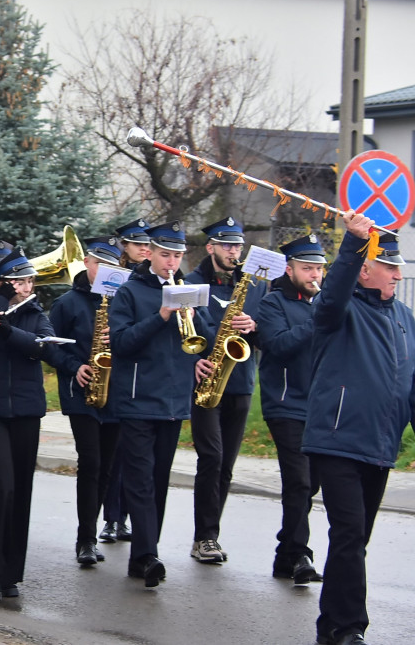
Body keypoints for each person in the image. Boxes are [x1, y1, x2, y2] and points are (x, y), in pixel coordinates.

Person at [304, 213, 415, 645]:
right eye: (391, 266)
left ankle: (330, 625)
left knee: (355, 539)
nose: (399, 274)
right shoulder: (339, 309)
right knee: (348, 533)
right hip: (338, 439)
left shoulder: (403, 315)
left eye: (400, 266)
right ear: (366, 270)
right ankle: (349, 628)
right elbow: (331, 297)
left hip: (380, 444)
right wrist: (351, 243)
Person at [108, 222, 213, 588]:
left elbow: (207, 340)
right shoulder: (130, 292)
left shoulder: (190, 291)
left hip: (174, 401)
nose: (172, 262)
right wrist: (162, 316)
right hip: (137, 400)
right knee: (139, 481)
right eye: (165, 254)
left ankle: (142, 556)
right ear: (150, 253)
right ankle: (149, 554)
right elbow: (121, 343)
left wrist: (199, 324)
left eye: (178, 255)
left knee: (158, 480)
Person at [0, 247, 64, 603]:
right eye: (18, 281)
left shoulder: (36, 312)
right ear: (3, 284)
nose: (26, 286)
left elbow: (45, 349)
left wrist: (9, 333)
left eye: (29, 280)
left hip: (25, 412)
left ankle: (11, 575)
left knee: (19, 493)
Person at [184, 216, 264, 564]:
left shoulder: (253, 285)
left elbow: (267, 333)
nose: (234, 252)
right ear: (211, 247)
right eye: (227, 245)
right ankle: (204, 537)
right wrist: (193, 364)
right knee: (211, 458)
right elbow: (183, 335)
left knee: (227, 464)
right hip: (206, 381)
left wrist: (254, 325)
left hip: (241, 380)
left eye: (237, 246)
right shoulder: (191, 283)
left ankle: (210, 533)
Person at [256, 234, 326, 584]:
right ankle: (300, 554)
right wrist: (316, 322)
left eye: (319, 268)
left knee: (310, 483)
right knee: (298, 482)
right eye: (307, 268)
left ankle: (285, 554)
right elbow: (279, 345)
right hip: (285, 404)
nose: (314, 274)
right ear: (291, 269)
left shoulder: (327, 302)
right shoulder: (273, 303)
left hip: (320, 406)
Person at [50, 236, 123, 566]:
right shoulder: (67, 303)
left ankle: (91, 532)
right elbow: (51, 346)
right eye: (101, 264)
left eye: (113, 265)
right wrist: (73, 367)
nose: (107, 271)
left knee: (106, 467)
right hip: (81, 391)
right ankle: (85, 539)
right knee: (91, 463)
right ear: (89, 264)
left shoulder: (126, 300)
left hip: (116, 393)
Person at [99, 218, 153, 544]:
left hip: (142, 371)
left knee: (136, 456)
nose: (144, 249)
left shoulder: (153, 279)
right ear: (124, 246)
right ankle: (111, 517)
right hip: (116, 365)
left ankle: (129, 517)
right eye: (138, 244)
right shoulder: (114, 276)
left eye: (148, 244)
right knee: (115, 453)